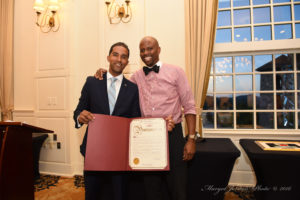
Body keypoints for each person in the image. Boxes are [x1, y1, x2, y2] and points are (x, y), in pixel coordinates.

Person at [95, 36, 197, 200]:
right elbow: (120, 88)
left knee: (178, 187)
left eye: (150, 48)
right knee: (151, 188)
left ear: (159, 50)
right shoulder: (136, 77)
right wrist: (104, 74)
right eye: (142, 50)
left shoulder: (176, 71)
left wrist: (191, 139)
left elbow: (190, 106)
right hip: (146, 138)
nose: (146, 53)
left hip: (173, 136)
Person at [74, 42, 141, 200]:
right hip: (94, 152)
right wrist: (79, 117)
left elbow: (136, 120)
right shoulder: (92, 82)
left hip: (120, 155)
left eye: (124, 57)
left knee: (119, 195)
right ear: (108, 57)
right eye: (116, 54)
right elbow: (78, 110)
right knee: (92, 195)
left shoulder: (132, 89)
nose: (119, 59)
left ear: (127, 62)